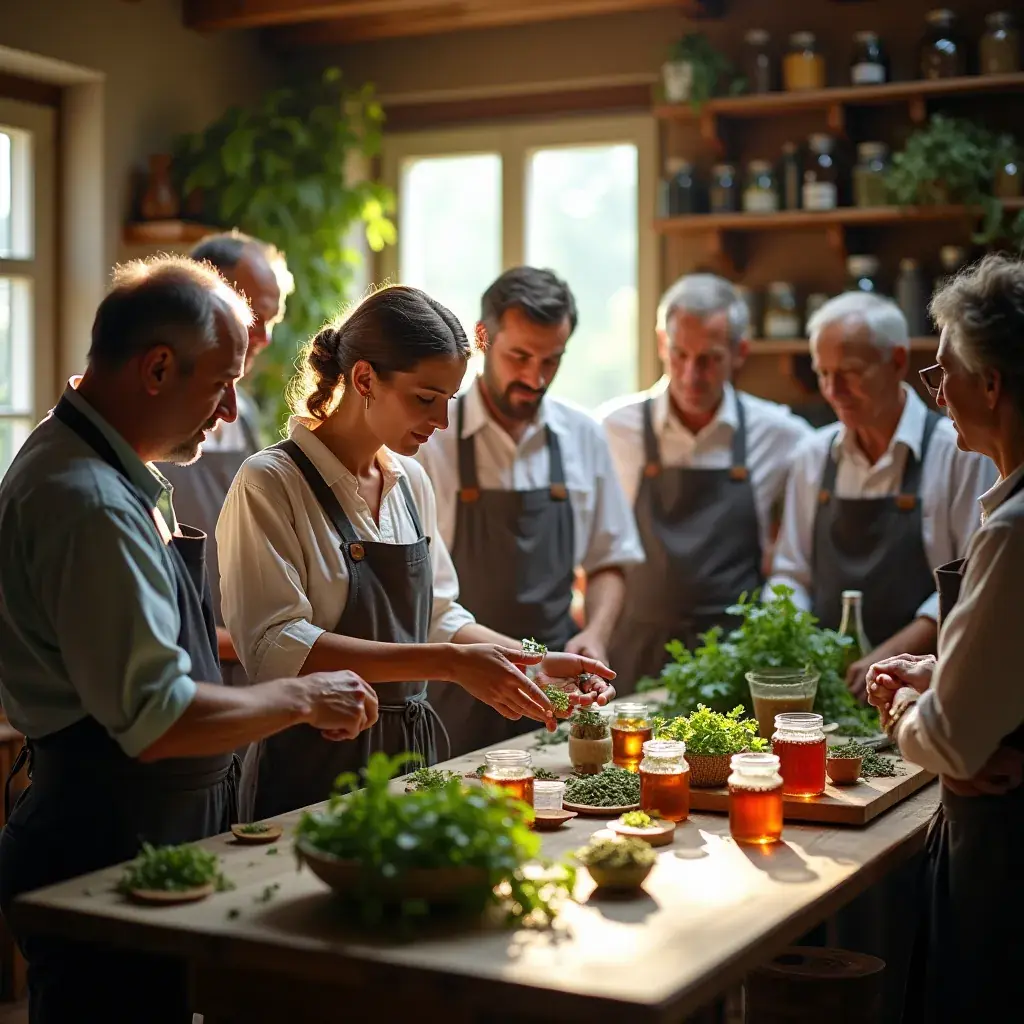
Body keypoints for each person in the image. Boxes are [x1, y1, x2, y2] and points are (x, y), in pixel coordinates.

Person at [0, 257, 378, 1024]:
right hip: (102, 845)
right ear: (157, 369)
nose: (231, 408)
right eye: (220, 383)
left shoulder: (103, 465)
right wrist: (303, 696)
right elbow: (159, 719)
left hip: (145, 832)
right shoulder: (91, 504)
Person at [217, 284, 615, 819]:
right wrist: (449, 664)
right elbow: (276, 646)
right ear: (364, 380)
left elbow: (440, 616)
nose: (442, 421)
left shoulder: (410, 481)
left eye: (448, 400)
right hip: (309, 758)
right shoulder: (271, 482)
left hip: (408, 758)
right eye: (426, 399)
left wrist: (533, 664)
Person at [865, 255, 1024, 1024]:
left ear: (989, 384)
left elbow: (953, 746)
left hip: (1006, 867)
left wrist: (904, 704)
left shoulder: (1014, 532)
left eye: (944, 371)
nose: (938, 393)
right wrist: (945, 671)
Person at [414, 267, 642, 755]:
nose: (534, 378)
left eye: (550, 361)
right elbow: (425, 599)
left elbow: (608, 559)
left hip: (557, 687)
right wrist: (523, 662)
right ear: (482, 338)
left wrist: (596, 634)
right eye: (519, 357)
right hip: (457, 686)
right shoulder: (430, 438)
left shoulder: (583, 435)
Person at [768, 291, 996, 697]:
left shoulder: (958, 454)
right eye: (823, 373)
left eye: (850, 372)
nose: (833, 389)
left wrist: (890, 660)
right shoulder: (811, 456)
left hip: (920, 686)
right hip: (828, 684)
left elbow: (971, 583)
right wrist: (796, 643)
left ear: (896, 362)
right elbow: (791, 573)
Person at [599, 274, 814, 690]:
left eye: (709, 359)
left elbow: (797, 551)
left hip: (734, 655)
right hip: (633, 649)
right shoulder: (612, 429)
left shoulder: (785, 437)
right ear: (661, 342)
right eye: (679, 354)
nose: (690, 375)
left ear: (740, 352)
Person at [158, 230, 290, 676]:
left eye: (273, 320)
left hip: (239, 662)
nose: (264, 337)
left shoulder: (244, 415)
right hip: (179, 661)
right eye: (254, 316)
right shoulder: (147, 420)